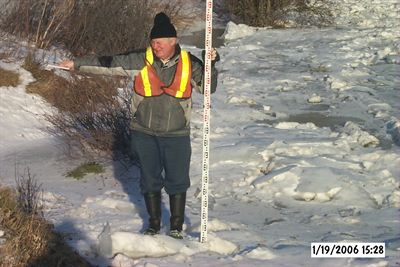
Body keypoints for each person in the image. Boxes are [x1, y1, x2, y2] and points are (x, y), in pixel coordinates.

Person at [59, 12, 219, 239]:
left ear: (173, 41)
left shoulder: (190, 63)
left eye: (161, 41)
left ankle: (176, 227)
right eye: (153, 42)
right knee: (149, 179)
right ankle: (153, 224)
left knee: (177, 180)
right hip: (144, 132)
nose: (156, 46)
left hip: (177, 133)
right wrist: (76, 64)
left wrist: (211, 64)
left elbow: (208, 88)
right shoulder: (140, 59)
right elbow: (108, 63)